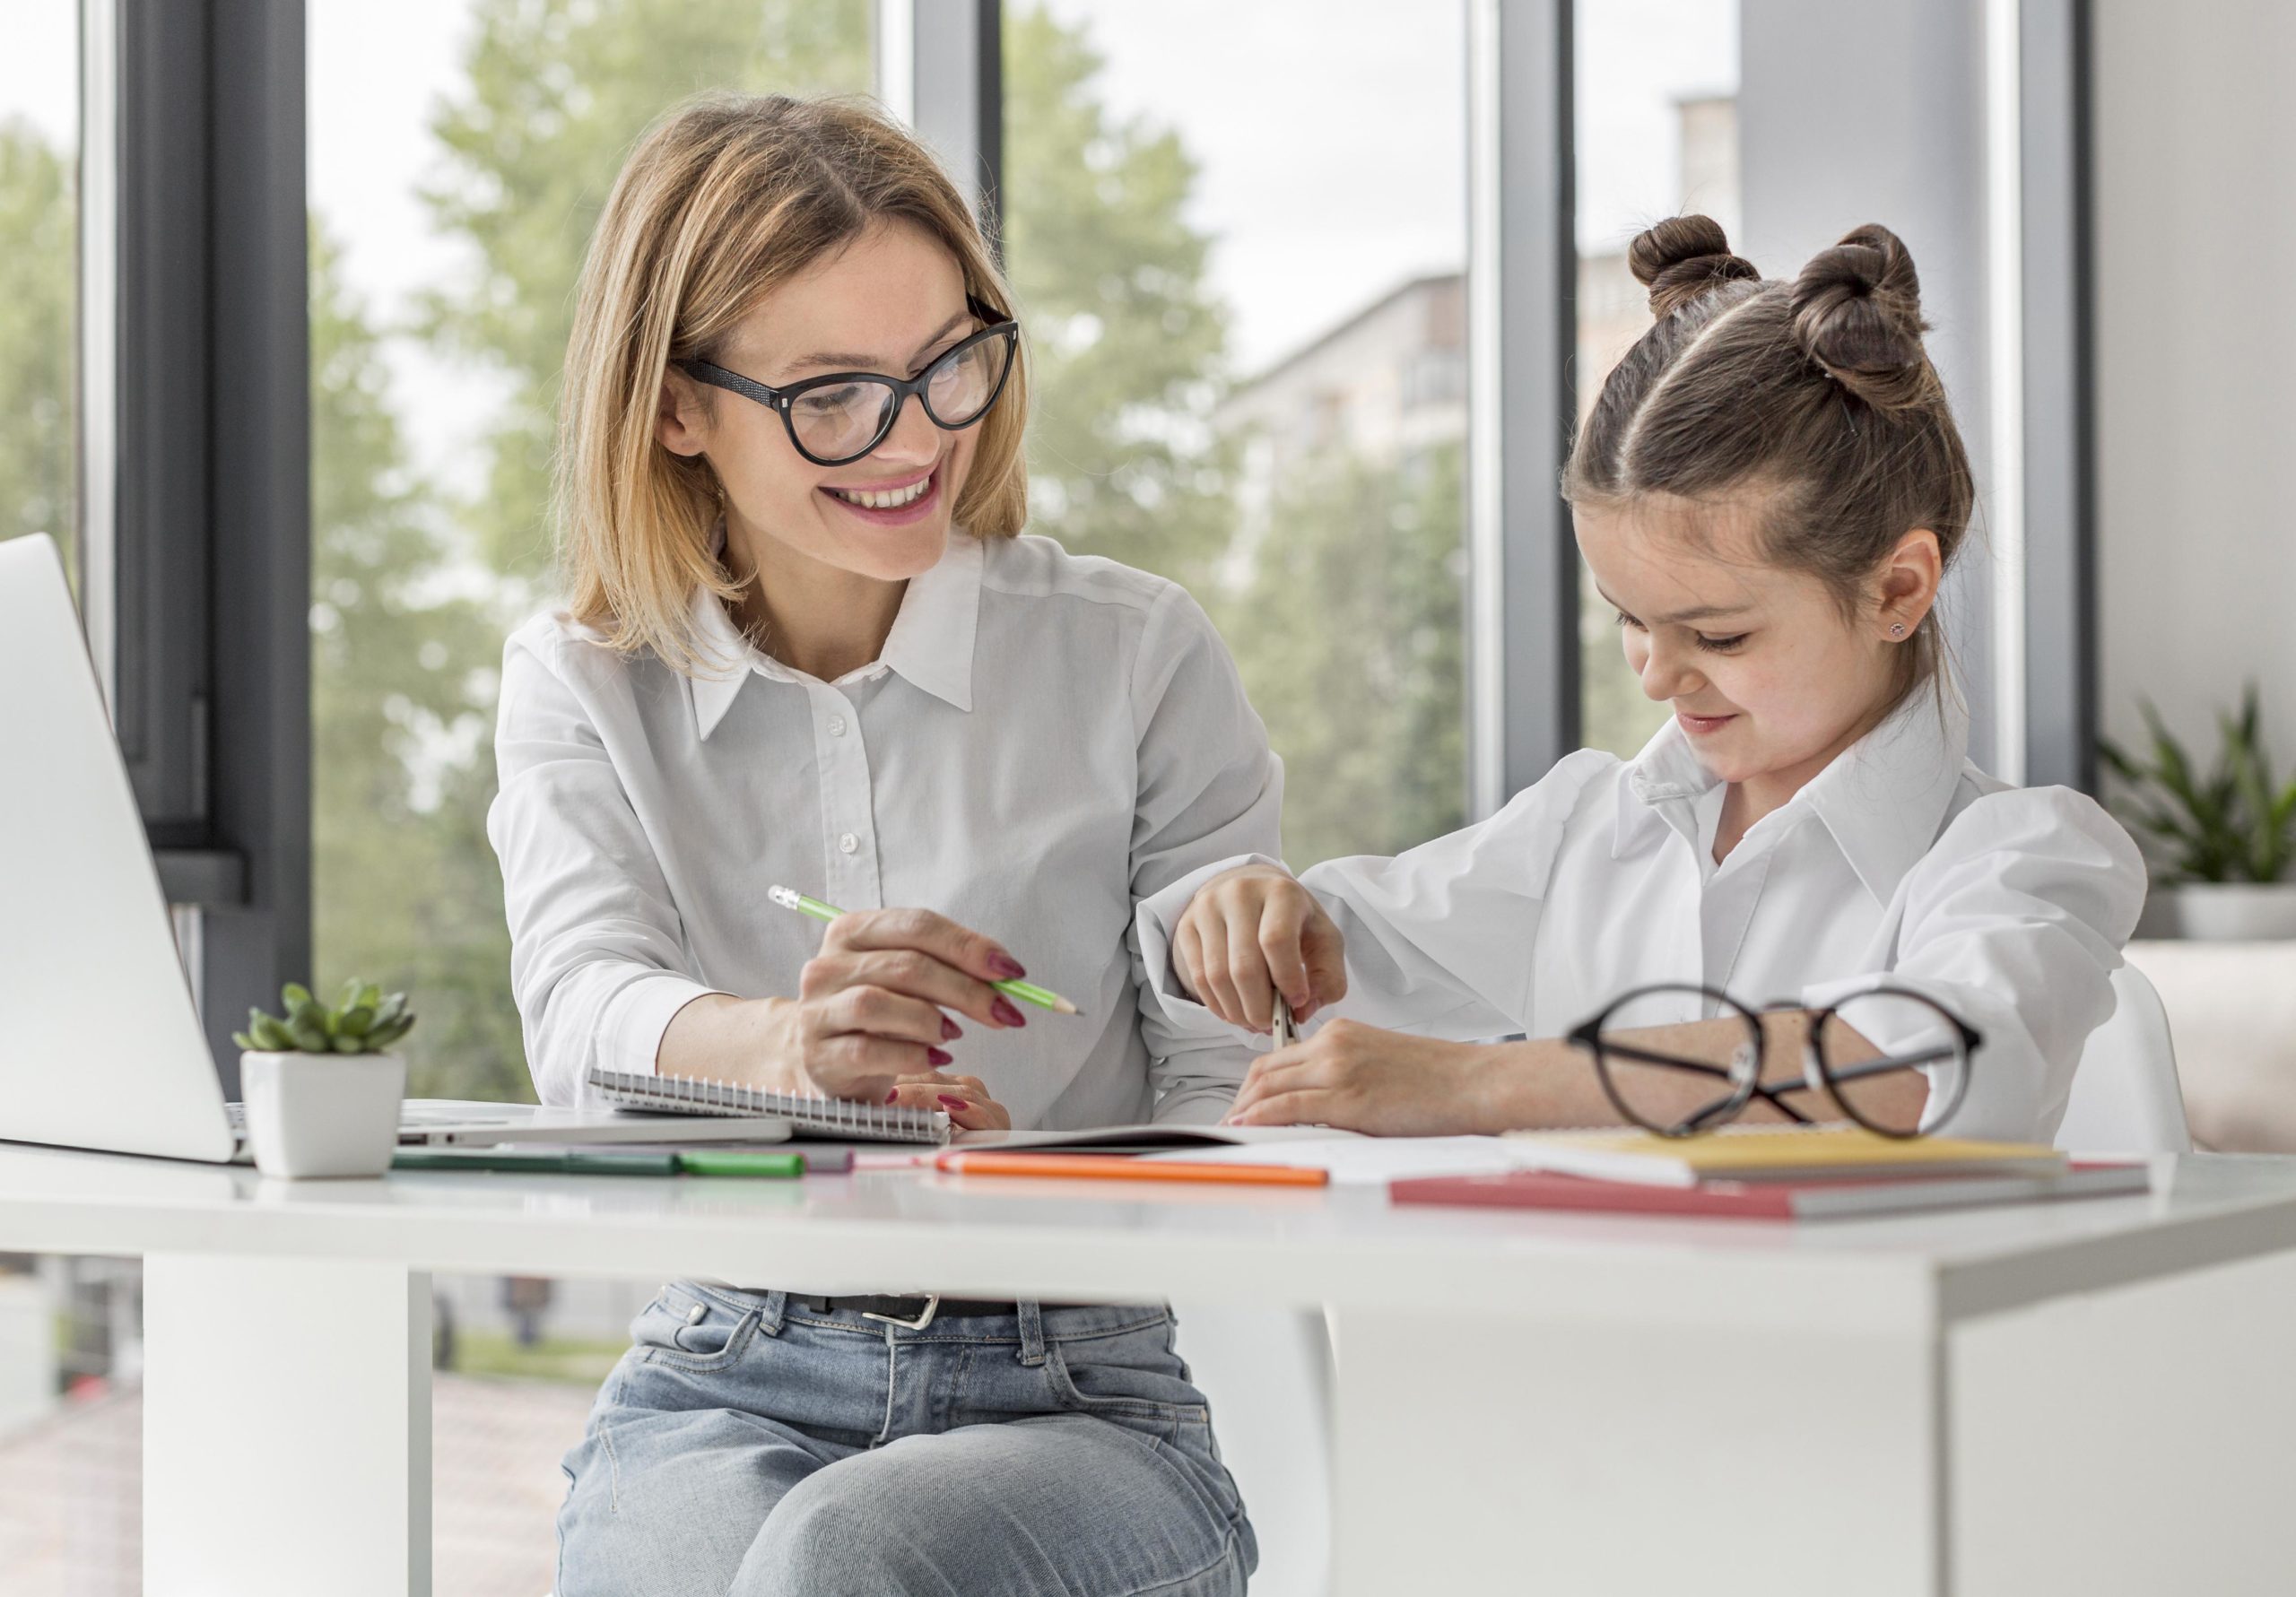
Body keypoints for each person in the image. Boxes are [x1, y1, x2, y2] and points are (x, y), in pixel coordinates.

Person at [486, 92, 1271, 1595]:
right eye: (833, 394)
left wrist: (1135, 1117)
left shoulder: (1136, 654)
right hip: (724, 1362)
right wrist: (792, 1048)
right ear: (675, 407)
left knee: (848, 1558)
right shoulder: (584, 681)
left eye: (946, 366)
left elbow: (1222, 1099)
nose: (917, 440)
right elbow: (579, 1029)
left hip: (1079, 1389)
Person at [1145, 216, 2144, 1143]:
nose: (1660, 675)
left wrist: (1483, 1084)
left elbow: (1916, 1068)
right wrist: (1239, 906)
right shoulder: (1583, 827)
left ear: (1897, 587)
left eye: (1717, 633)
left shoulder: (2023, 856)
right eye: (1630, 619)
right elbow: (1330, 962)